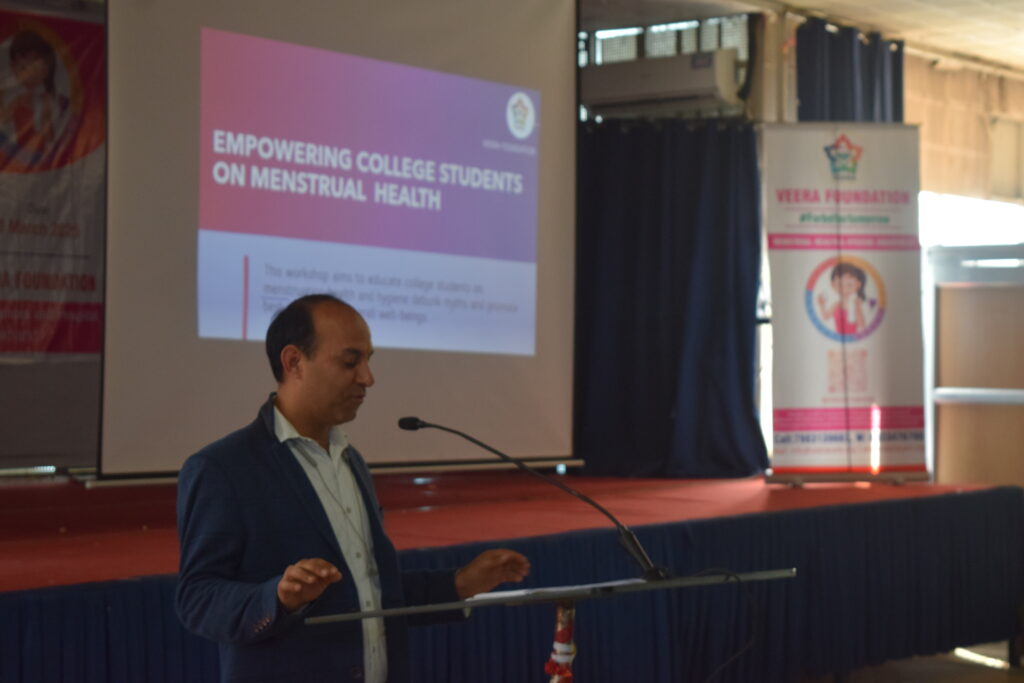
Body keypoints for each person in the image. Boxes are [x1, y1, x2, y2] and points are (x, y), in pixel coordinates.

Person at [176, 294, 530, 682]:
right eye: (350, 362)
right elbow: (198, 599)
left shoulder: (351, 460)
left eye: (368, 360)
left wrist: (461, 584)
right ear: (294, 362)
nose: (367, 377)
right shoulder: (223, 468)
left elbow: (369, 590)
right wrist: (277, 597)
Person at [816, 261, 867, 335]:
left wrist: (857, 309)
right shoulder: (837, 305)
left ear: (858, 284)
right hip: (837, 337)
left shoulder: (855, 304)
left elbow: (862, 325)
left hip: (853, 337)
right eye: (840, 284)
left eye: (849, 285)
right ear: (833, 284)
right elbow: (825, 316)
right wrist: (821, 304)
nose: (844, 289)